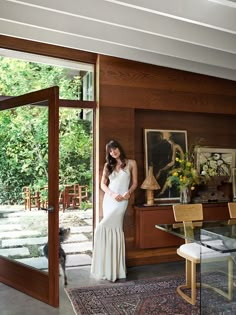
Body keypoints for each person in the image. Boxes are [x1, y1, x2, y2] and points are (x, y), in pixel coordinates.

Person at [91, 139, 138, 282]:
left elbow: (135, 183)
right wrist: (112, 194)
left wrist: (128, 193)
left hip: (122, 201)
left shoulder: (131, 163)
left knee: (110, 229)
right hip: (109, 200)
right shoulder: (108, 165)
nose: (113, 152)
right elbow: (102, 185)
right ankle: (105, 268)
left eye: (115, 148)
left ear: (119, 148)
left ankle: (116, 269)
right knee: (102, 229)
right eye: (110, 151)